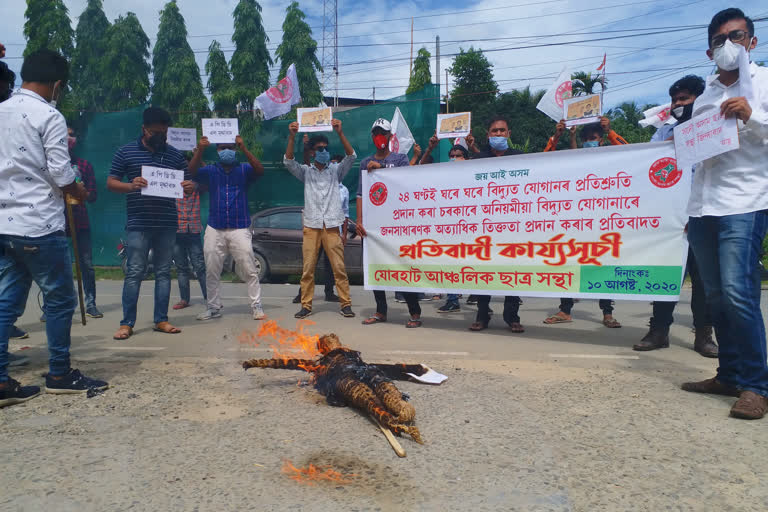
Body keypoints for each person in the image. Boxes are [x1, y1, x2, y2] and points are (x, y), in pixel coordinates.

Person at [1, 49, 108, 407]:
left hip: (4, 225)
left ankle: (0, 380)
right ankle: (60, 374)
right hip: (39, 226)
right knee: (60, 300)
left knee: (5, 303)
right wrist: (78, 190)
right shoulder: (49, 115)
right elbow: (63, 175)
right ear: (56, 84)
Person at [682, 8, 768, 419]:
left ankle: (756, 386)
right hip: (703, 206)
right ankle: (729, 375)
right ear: (709, 51)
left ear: (751, 41)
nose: (728, 45)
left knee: (739, 293)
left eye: (736, 36)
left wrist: (753, 117)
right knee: (715, 296)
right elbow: (696, 156)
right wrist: (689, 210)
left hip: (744, 203)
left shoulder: (765, 83)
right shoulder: (706, 96)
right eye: (720, 40)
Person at [633, 75, 717, 357]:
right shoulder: (663, 133)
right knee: (665, 278)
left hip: (704, 214)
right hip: (670, 220)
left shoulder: (712, 127)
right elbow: (647, 167)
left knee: (703, 281)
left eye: (684, 99)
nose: (678, 104)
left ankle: (704, 335)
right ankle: (658, 331)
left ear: (699, 100)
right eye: (675, 100)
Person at [107, 107, 196, 340]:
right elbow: (111, 182)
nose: (160, 137)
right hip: (138, 222)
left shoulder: (175, 155)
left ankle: (161, 320)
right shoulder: (126, 152)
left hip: (167, 222)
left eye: (164, 133)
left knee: (164, 272)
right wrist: (130, 186)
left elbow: (189, 184)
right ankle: (126, 323)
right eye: (156, 133)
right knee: (135, 272)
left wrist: (190, 187)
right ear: (144, 129)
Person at [542, 117, 626, 329]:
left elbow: (630, 151)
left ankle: (608, 313)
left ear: (601, 140)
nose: (590, 142)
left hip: (603, 223)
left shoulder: (613, 158)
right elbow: (554, 158)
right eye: (586, 139)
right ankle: (565, 310)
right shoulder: (579, 161)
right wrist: (565, 135)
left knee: (602, 267)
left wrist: (610, 132)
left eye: (594, 138)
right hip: (578, 223)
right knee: (571, 265)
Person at [284, 120, 356, 319]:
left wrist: (340, 133)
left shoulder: (335, 171)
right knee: (308, 268)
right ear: (313, 152)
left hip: (332, 224)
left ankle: (345, 304)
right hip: (312, 225)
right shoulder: (306, 172)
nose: (324, 150)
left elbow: (351, 156)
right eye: (319, 148)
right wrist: (292, 137)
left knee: (339, 268)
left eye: (326, 147)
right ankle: (306, 305)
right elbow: (288, 161)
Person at [189, 135, 265, 321]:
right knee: (212, 269)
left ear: (236, 148)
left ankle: (256, 306)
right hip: (215, 226)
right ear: (217, 150)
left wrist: (245, 148)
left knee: (249, 268)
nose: (226, 151)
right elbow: (192, 172)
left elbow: (260, 170)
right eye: (222, 147)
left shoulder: (244, 169)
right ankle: (213, 307)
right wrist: (199, 149)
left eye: (230, 147)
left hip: (239, 227)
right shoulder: (211, 170)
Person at [356, 118, 423, 328]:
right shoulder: (365, 163)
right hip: (374, 227)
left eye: (383, 133)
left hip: (398, 226)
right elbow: (360, 194)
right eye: (376, 133)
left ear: (390, 136)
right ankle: (380, 311)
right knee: (377, 268)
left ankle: (414, 312)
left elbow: (405, 180)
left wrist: (382, 167)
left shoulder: (401, 159)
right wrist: (359, 221)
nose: (379, 137)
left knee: (402, 268)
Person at [468, 116, 524, 333]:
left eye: (502, 131)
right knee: (484, 273)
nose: (499, 134)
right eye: (494, 131)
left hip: (512, 226)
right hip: (485, 227)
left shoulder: (520, 158)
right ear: (488, 135)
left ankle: (512, 316)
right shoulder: (479, 160)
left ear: (509, 134)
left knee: (512, 273)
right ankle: (482, 315)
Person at [64, 124, 102, 319]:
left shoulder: (85, 165)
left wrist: (82, 192)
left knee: (86, 264)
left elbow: (93, 195)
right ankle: (52, 306)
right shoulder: (49, 164)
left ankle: (90, 303)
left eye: (72, 135)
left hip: (79, 220)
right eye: (65, 135)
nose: (69, 139)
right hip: (55, 222)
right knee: (56, 265)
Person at [437, 143, 471, 314]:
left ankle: (480, 299)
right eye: (452, 155)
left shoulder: (474, 177)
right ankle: (452, 299)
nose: (455, 159)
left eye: (459, 155)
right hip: (450, 230)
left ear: (466, 159)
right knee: (449, 263)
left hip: (472, 230)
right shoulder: (444, 180)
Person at [172, 151, 207, 310]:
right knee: (181, 266)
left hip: (193, 229)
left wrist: (199, 158)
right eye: (183, 165)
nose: (186, 167)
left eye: (189, 164)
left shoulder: (196, 183)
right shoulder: (171, 183)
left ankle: (209, 298)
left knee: (199, 266)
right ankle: (184, 299)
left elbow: (210, 180)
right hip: (176, 230)